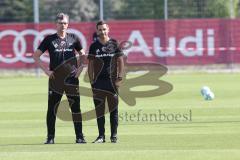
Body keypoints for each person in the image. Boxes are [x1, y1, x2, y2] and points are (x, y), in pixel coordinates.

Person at [33, 13, 86, 144]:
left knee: (76, 108)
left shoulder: (73, 38)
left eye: (65, 23)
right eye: (60, 23)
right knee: (52, 109)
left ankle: (79, 137)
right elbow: (36, 56)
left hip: (71, 79)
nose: (62, 25)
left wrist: (80, 69)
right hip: (55, 79)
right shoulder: (49, 39)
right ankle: (50, 138)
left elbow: (82, 54)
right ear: (56, 24)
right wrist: (46, 70)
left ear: (68, 24)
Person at [88, 21, 125, 143]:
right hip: (98, 83)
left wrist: (119, 78)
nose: (102, 32)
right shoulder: (94, 46)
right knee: (99, 111)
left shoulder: (114, 43)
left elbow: (120, 62)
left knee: (114, 110)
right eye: (100, 30)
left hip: (112, 83)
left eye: (104, 29)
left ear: (108, 29)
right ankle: (101, 136)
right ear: (97, 31)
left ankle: (114, 136)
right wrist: (92, 82)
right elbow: (91, 65)